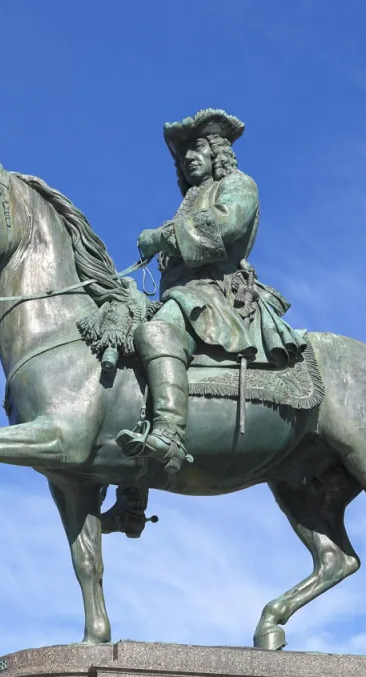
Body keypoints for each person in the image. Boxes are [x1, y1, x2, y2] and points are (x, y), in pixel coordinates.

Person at [114, 108, 307, 474]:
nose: (188, 158)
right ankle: (133, 495)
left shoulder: (239, 184)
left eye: (197, 147)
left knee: (158, 330)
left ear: (217, 152)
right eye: (183, 154)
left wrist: (161, 237)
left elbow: (225, 223)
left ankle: (169, 433)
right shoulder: (190, 199)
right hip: (185, 292)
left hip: (214, 294)